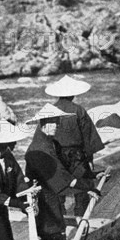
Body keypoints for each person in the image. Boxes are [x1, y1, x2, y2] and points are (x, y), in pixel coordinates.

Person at [25, 103, 100, 240]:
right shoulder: (39, 149)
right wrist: (88, 187)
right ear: (44, 124)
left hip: (52, 193)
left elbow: (67, 167)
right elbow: (62, 178)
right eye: (53, 122)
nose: (57, 125)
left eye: (57, 121)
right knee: (52, 233)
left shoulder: (52, 143)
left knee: (57, 229)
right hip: (43, 199)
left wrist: (91, 174)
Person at [45, 75, 105, 216]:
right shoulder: (79, 111)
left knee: (58, 187)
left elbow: (43, 137)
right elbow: (89, 139)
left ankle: (61, 218)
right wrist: (89, 160)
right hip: (76, 157)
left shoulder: (48, 111)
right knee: (82, 187)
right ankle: (81, 218)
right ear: (72, 94)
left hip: (55, 156)